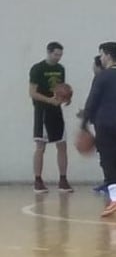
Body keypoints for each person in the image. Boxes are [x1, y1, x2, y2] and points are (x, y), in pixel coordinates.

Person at [80, 42, 116, 217]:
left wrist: (84, 122)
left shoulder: (102, 77)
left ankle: (114, 200)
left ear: (107, 55)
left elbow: (92, 100)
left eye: (101, 54)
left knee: (109, 162)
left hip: (106, 125)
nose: (100, 58)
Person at [29, 41, 72, 193]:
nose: (58, 57)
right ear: (48, 52)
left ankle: (63, 180)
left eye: (60, 55)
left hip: (56, 112)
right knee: (40, 147)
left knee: (62, 145)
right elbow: (32, 93)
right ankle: (38, 180)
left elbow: (61, 89)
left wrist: (66, 98)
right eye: (56, 54)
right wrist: (50, 101)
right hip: (42, 111)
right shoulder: (37, 68)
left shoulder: (60, 69)